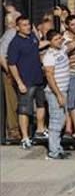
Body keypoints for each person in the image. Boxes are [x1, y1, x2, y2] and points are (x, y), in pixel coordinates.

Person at [7, 16, 47, 149]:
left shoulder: (32, 37)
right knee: (24, 110)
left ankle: (40, 130)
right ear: (17, 27)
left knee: (41, 104)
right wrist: (19, 82)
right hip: (26, 81)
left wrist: (49, 42)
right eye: (24, 25)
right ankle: (24, 137)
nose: (27, 27)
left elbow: (37, 46)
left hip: (38, 79)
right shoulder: (15, 43)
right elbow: (12, 64)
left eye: (28, 24)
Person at [42, 30, 71, 160]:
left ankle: (58, 147)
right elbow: (49, 76)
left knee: (62, 119)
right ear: (50, 42)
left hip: (64, 90)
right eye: (56, 39)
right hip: (54, 92)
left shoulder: (62, 49)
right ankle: (53, 151)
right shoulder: (49, 56)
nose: (59, 41)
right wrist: (58, 94)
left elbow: (71, 46)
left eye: (60, 38)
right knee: (55, 121)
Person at [62, 15, 75, 140]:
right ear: (67, 26)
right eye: (72, 24)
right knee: (71, 102)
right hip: (71, 74)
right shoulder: (64, 38)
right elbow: (68, 49)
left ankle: (71, 128)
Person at [0, 12, 21, 139]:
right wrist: (9, 71)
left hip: (16, 69)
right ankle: (13, 129)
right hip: (11, 70)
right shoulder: (11, 34)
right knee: (13, 100)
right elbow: (1, 54)